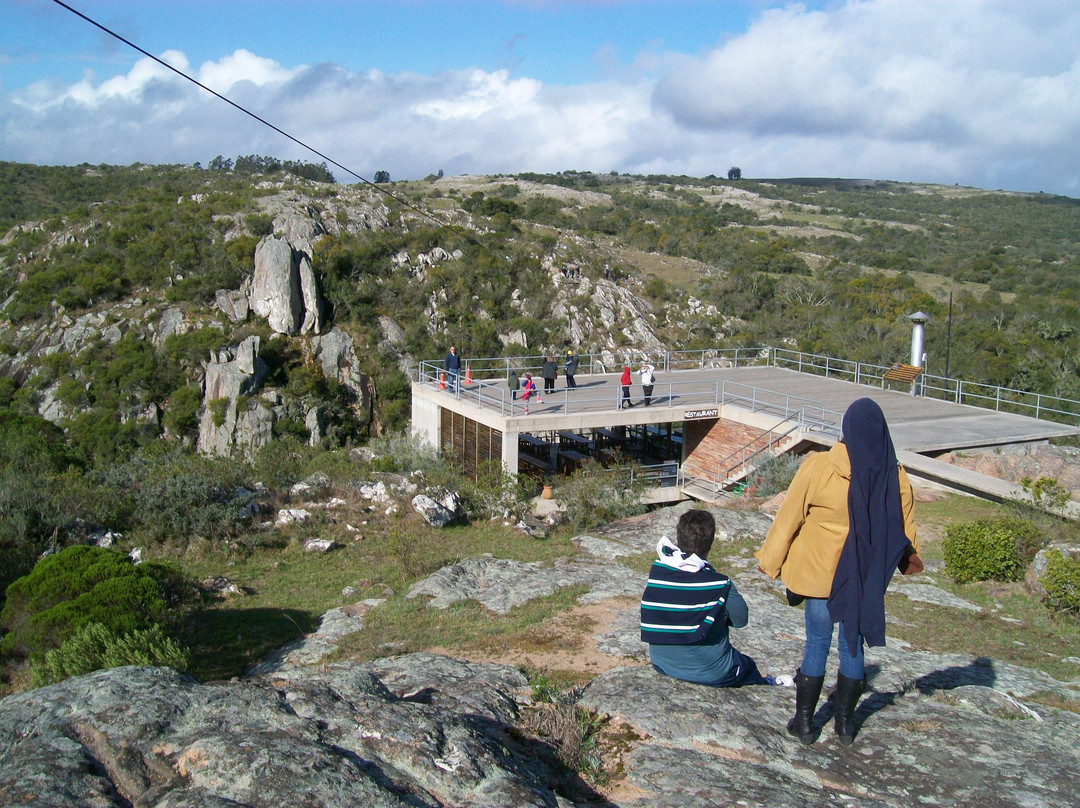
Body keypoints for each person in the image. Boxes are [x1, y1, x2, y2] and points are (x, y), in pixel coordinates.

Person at [755, 397, 922, 745]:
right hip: (860, 579)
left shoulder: (820, 467)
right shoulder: (894, 476)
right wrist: (908, 561)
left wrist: (771, 560)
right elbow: (903, 531)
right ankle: (845, 725)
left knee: (816, 643)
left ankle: (804, 723)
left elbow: (790, 517)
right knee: (853, 647)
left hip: (818, 578)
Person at [642, 509, 793, 688]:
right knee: (747, 665)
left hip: (662, 663)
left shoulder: (658, 572)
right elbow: (740, 620)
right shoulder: (720, 584)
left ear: (679, 537)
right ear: (711, 543)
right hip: (711, 672)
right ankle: (768, 683)